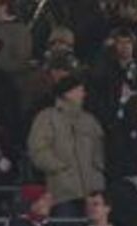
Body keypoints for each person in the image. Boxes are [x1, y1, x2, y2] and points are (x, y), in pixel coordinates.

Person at [26, 74, 105, 211]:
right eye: (80, 90)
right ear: (68, 93)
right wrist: (60, 168)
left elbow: (99, 149)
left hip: (93, 193)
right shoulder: (46, 117)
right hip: (62, 193)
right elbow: (38, 150)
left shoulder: (89, 119)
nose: (84, 94)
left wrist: (97, 171)